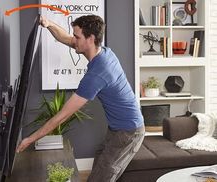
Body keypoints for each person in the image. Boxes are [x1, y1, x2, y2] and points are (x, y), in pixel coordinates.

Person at [16, 14, 145, 182]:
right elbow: (66, 39)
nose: (73, 40)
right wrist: (48, 24)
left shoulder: (97, 74)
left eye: (77, 36)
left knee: (102, 176)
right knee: (100, 168)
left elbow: (61, 116)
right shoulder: (103, 51)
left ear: (90, 39)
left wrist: (30, 139)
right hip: (118, 128)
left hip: (129, 132)